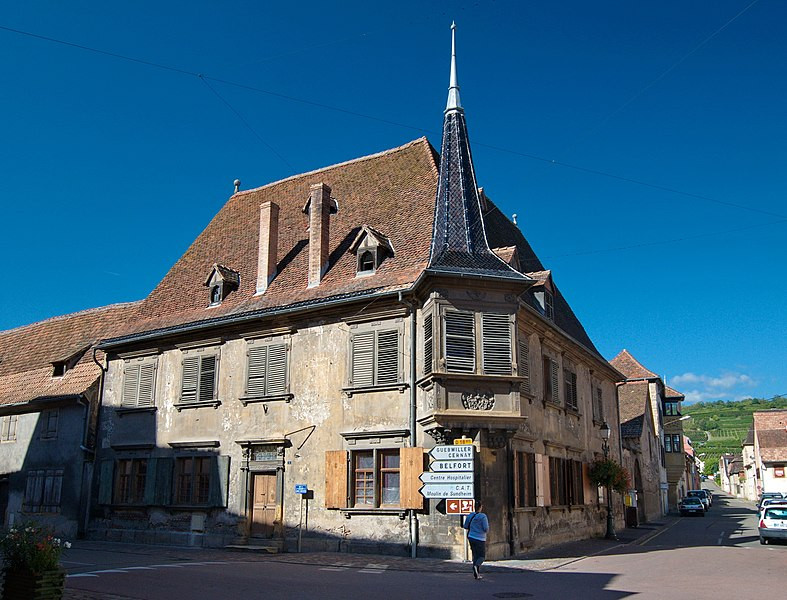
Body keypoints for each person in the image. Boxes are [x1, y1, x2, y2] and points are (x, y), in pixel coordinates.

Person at [463, 501, 489, 580]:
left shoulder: (470, 515)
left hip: (471, 537)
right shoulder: (483, 516)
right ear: (480, 507)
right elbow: (485, 528)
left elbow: (465, 526)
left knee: (475, 555)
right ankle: (476, 566)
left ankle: (476, 574)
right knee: (481, 556)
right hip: (480, 538)